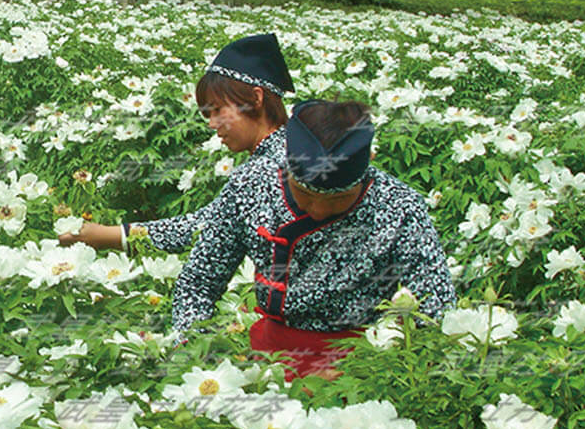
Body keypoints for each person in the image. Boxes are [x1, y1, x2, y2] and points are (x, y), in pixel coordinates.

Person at [166, 98, 455, 379]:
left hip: (363, 365)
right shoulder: (250, 186)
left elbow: (436, 305)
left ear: (368, 162)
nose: (317, 211)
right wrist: (198, 353)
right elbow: (198, 282)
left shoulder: (398, 207)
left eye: (337, 200)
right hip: (265, 361)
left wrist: (375, 370)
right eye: (304, 194)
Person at [62, 33, 293, 252]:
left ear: (255, 98)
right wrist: (112, 234)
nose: (212, 124)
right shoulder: (292, 149)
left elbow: (208, 231)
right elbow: (207, 221)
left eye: (218, 110)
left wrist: (108, 236)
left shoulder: (265, 170)